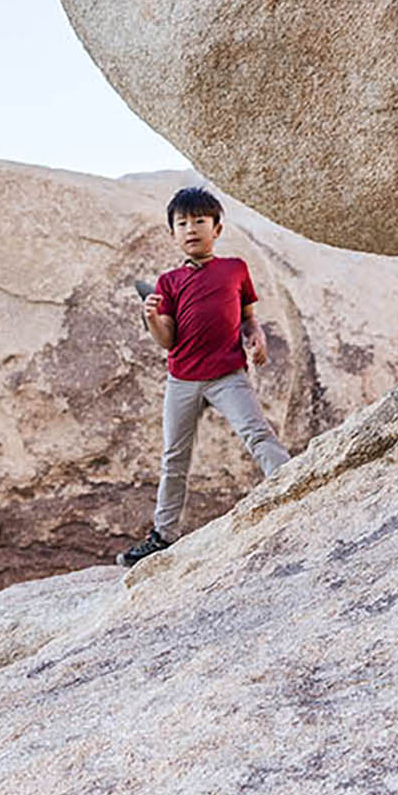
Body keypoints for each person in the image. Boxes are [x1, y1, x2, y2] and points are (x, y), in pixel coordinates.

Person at [118, 187, 291, 568]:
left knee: (257, 433)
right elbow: (168, 340)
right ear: (172, 234)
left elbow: (247, 318)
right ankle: (163, 536)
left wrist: (256, 338)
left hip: (227, 375)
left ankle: (296, 489)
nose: (191, 228)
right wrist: (151, 318)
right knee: (174, 457)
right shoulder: (168, 282)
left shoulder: (235, 269)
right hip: (182, 380)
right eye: (182, 223)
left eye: (200, 221)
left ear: (217, 228)